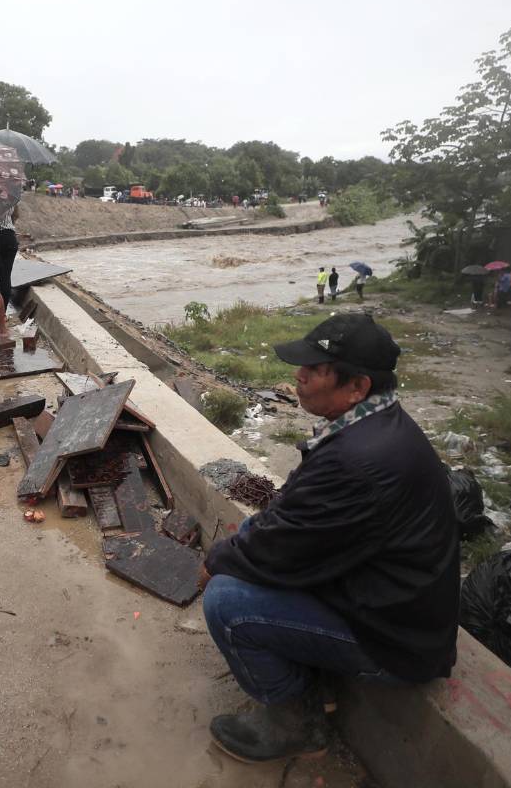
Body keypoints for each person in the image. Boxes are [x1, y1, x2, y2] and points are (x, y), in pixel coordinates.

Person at [200, 314, 459, 764]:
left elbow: (279, 549)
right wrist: (241, 544)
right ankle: (310, 678)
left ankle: (295, 724)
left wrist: (214, 562)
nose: (298, 376)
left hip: (394, 640)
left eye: (314, 370)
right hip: (376, 594)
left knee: (226, 601)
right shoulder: (370, 425)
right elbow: (290, 519)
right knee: (246, 536)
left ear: (357, 387)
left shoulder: (360, 461)